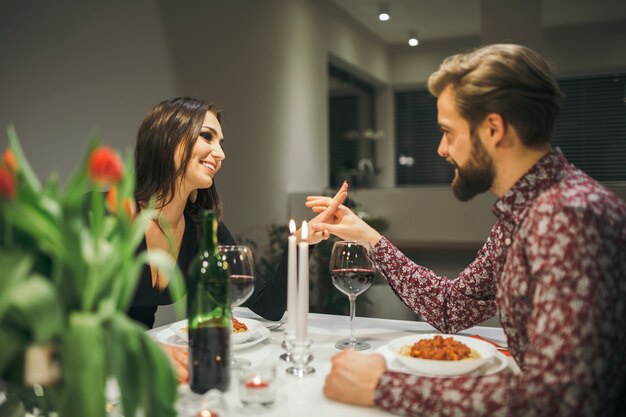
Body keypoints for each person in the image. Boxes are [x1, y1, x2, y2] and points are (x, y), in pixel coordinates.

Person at [308, 44, 626, 416]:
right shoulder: (523, 211)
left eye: (447, 131)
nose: (441, 149)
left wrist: (384, 387)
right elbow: (452, 307)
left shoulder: (568, 216)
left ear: (493, 128)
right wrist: (368, 237)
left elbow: (564, 399)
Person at [130, 97, 346, 380]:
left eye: (221, 142)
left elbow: (268, 306)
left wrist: (300, 243)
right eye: (207, 136)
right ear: (168, 139)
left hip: (143, 376)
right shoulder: (106, 215)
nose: (220, 153)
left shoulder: (202, 228)